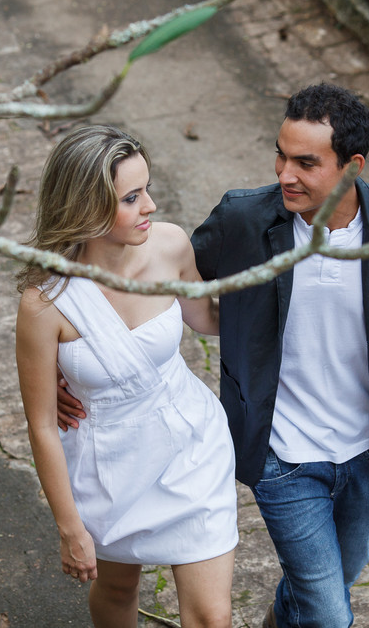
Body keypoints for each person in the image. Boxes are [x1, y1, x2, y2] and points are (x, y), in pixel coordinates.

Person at [190, 83, 369, 628]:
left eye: (305, 163)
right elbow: (161, 275)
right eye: (280, 155)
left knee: (322, 588)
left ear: (352, 167)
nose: (284, 174)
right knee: (328, 614)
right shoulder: (243, 219)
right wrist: (77, 350)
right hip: (282, 452)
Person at [15, 124, 238, 628]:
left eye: (147, 189)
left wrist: (278, 289)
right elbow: (42, 425)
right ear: (86, 207)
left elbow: (209, 319)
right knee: (118, 588)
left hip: (190, 448)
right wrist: (69, 528)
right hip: (108, 467)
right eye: (132, 198)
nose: (150, 207)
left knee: (212, 616)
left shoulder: (170, 245)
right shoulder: (44, 302)